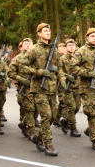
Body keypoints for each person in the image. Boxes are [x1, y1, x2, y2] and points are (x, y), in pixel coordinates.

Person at [19, 23, 66, 156]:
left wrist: (62, 80)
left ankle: (38, 137)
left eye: (49, 30)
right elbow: (22, 67)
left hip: (52, 89)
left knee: (52, 118)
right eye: (45, 31)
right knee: (46, 116)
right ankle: (48, 144)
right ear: (38, 34)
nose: (48, 32)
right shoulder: (33, 49)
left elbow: (60, 68)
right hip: (39, 89)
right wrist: (39, 72)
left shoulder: (54, 50)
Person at [8, 38, 36, 139]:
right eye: (26, 44)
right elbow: (10, 73)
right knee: (30, 109)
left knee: (36, 110)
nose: (28, 45)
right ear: (22, 46)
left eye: (30, 43)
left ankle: (24, 123)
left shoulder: (37, 56)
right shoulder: (18, 58)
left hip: (37, 87)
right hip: (25, 88)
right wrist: (21, 79)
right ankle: (32, 132)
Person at [59, 39, 82, 137]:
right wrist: (67, 76)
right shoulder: (62, 59)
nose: (72, 47)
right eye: (69, 45)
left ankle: (66, 121)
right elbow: (59, 72)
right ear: (66, 48)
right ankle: (73, 128)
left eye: (73, 45)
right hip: (67, 87)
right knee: (71, 107)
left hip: (78, 86)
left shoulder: (78, 57)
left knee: (77, 108)